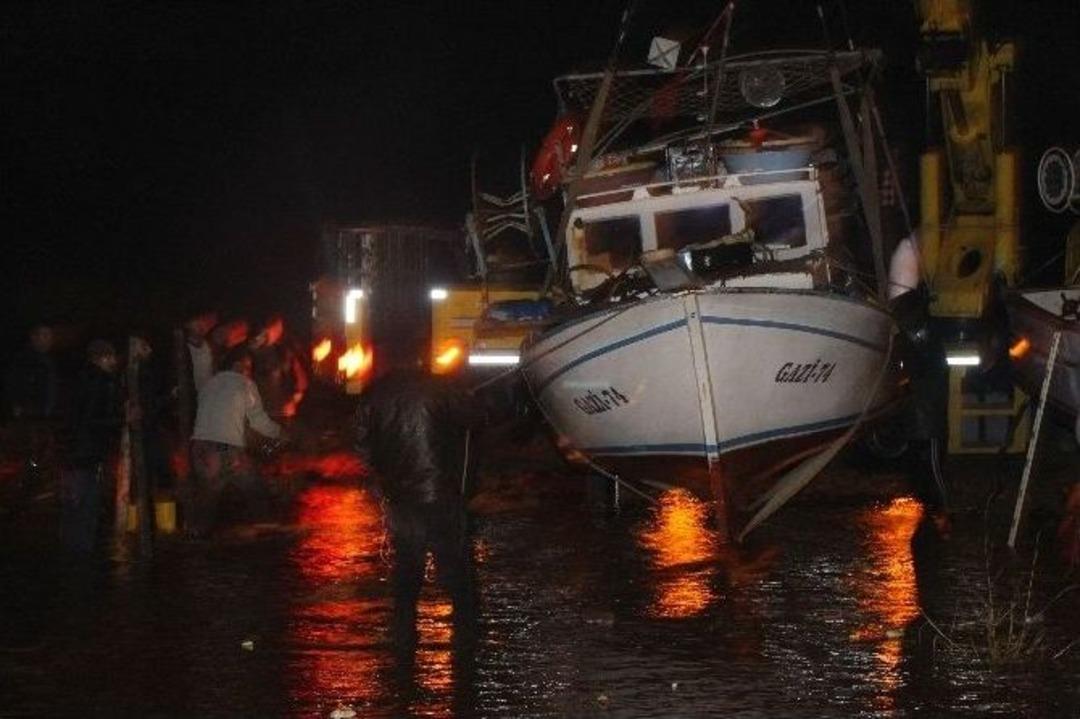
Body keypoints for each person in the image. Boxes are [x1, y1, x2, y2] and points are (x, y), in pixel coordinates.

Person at [352, 369, 483, 657]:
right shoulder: (440, 387)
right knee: (455, 566)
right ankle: (466, 639)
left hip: (400, 497)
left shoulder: (373, 395)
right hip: (442, 492)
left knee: (407, 566)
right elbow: (475, 419)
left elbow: (362, 448)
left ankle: (404, 635)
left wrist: (378, 484)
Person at [185, 346, 283, 537]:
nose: (250, 371)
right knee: (255, 489)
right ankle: (267, 534)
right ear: (238, 365)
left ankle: (195, 541)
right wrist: (279, 433)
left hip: (199, 450)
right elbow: (259, 421)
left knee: (208, 498)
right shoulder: (245, 384)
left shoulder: (208, 382)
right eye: (248, 367)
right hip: (226, 451)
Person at [59, 340, 123, 554]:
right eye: (111, 356)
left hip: (75, 450)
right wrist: (122, 419)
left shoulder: (80, 378)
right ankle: (80, 554)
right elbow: (94, 418)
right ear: (101, 358)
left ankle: (72, 553)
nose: (114, 361)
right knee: (85, 506)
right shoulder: (101, 381)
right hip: (86, 452)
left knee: (74, 506)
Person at [3, 324, 61, 495]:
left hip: (43, 413)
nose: (49, 339)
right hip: (32, 412)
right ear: (34, 337)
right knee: (32, 449)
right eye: (44, 335)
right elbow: (16, 383)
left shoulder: (47, 359)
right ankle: (29, 485)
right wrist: (19, 405)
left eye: (50, 335)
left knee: (41, 449)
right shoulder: (25, 359)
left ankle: (35, 483)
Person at [249, 314, 308, 424]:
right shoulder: (254, 351)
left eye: (279, 327)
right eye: (276, 327)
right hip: (259, 412)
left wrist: (294, 400)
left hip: (280, 414)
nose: (279, 330)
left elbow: (301, 380)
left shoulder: (285, 351)